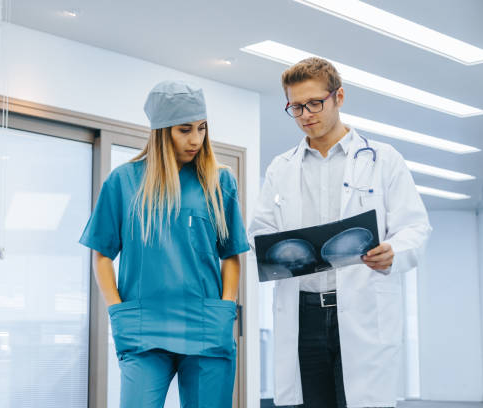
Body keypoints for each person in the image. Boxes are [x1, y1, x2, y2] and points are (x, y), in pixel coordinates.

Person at [248, 58, 431, 408]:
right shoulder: (281, 167)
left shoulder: (383, 159)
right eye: (296, 106)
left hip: (361, 308)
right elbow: (261, 231)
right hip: (304, 315)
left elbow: (415, 226)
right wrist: (273, 251)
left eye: (314, 103)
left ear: (339, 97)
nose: (305, 114)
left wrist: (393, 250)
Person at [80, 80, 249, 408]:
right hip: (143, 328)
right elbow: (101, 254)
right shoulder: (123, 181)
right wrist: (117, 310)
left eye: (201, 128)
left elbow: (231, 254)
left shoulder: (219, 180)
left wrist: (226, 309)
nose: (196, 139)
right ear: (161, 131)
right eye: (184, 129)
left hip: (206, 325)